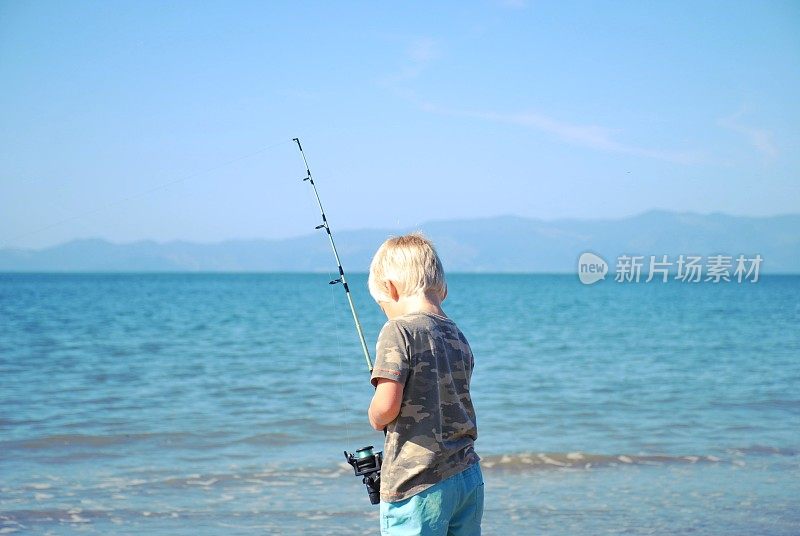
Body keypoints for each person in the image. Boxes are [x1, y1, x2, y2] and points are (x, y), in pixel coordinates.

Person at [367, 232, 483, 536]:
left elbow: (386, 406)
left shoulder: (398, 330)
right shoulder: (458, 335)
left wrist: (375, 415)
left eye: (382, 305)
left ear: (391, 289)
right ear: (440, 289)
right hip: (467, 477)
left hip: (418, 483)